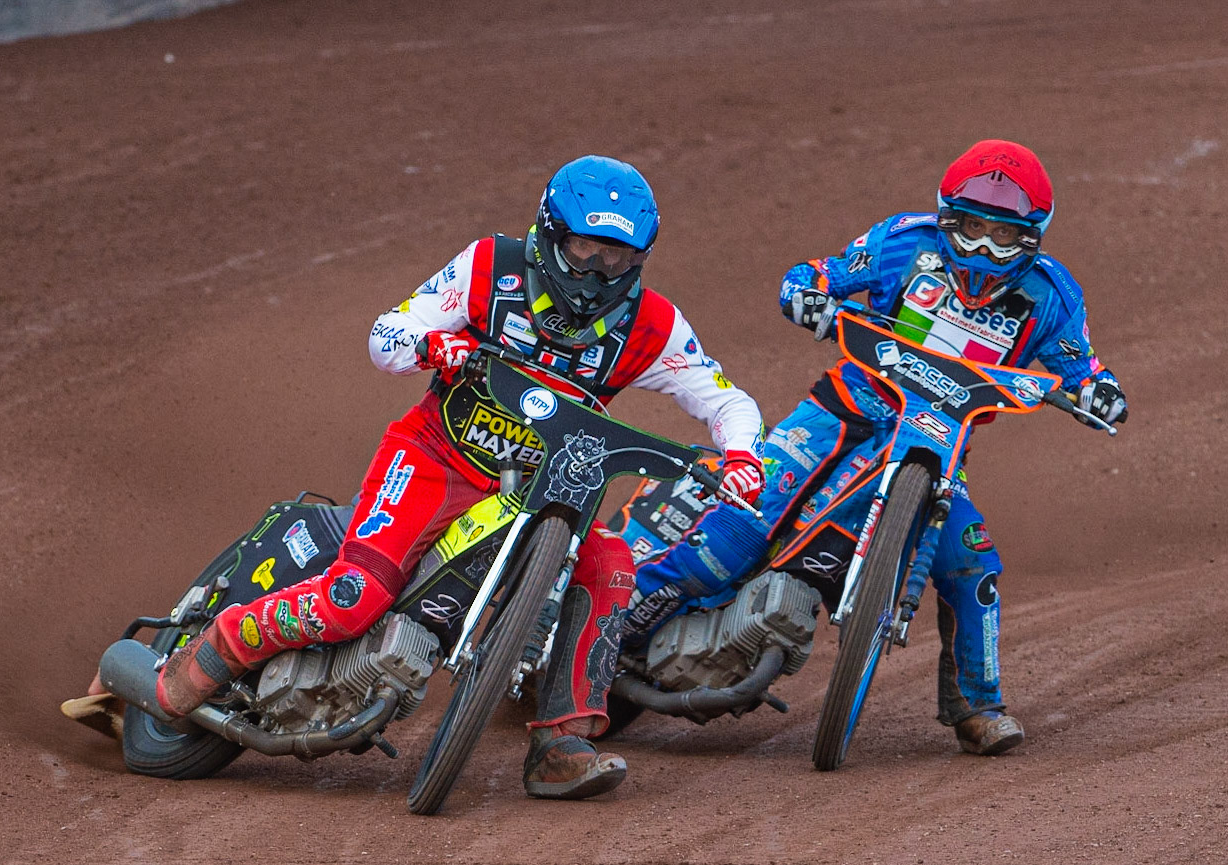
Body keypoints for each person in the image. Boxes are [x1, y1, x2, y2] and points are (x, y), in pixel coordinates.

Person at [151, 155, 766, 798]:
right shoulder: (488, 268)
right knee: (353, 598)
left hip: (550, 487)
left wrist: (743, 456)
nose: (596, 271)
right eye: (584, 248)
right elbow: (386, 335)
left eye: (615, 258)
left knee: (611, 561)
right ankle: (206, 659)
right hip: (433, 460)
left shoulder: (654, 325)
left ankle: (562, 742)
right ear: (549, 234)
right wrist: (430, 344)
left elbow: (728, 402)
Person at [625, 140, 1127, 757]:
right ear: (947, 218)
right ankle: (603, 634)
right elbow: (819, 274)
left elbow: (1084, 368)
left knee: (976, 570)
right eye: (970, 228)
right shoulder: (902, 243)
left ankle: (977, 706)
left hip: (939, 447)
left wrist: (1100, 393)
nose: (983, 249)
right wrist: (807, 294)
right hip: (843, 412)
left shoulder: (1052, 296)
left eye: (1002, 235)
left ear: (1031, 239)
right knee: (739, 528)